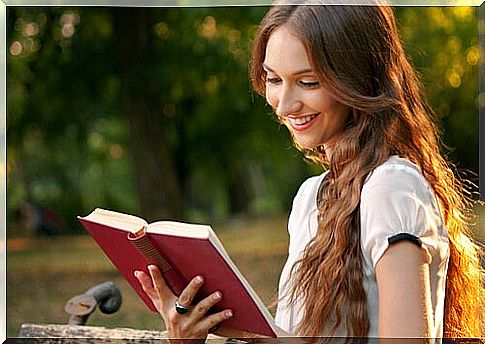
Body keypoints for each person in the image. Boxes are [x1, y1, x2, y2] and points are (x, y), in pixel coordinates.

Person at [134, 1, 484, 341]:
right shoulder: (309, 198)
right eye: (273, 79)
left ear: (359, 79)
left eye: (309, 82)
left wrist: (255, 335)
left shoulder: (391, 186)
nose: (284, 105)